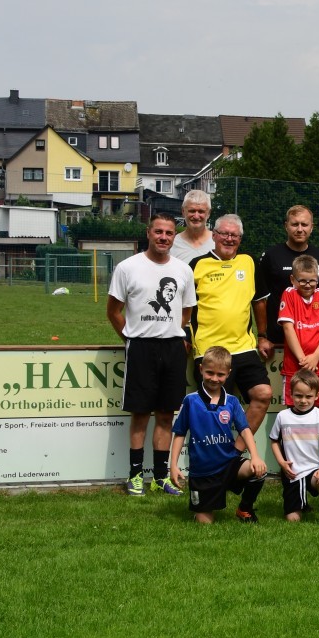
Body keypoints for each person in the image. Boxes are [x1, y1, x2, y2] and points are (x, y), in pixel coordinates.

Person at [107, 212, 196, 497]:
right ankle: (134, 476)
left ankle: (160, 477)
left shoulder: (183, 270)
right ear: (148, 233)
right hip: (141, 347)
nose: (163, 237)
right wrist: (131, 337)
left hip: (172, 347)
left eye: (169, 233)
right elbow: (113, 311)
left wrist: (173, 332)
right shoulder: (127, 267)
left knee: (166, 415)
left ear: (174, 236)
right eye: (158, 232)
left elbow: (186, 310)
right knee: (141, 414)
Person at [188, 214, 273, 435]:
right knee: (215, 409)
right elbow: (184, 307)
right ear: (214, 236)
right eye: (224, 233)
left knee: (262, 394)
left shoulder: (249, 262)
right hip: (209, 349)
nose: (229, 238)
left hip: (243, 347)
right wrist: (184, 336)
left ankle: (236, 452)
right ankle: (217, 462)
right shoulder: (197, 265)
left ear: (240, 239)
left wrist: (262, 335)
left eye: (234, 235)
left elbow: (259, 302)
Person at [169, 346, 267, 524]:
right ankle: (202, 508)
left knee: (258, 471)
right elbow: (179, 433)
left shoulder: (232, 401)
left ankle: (244, 509)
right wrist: (173, 465)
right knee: (205, 522)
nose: (215, 378)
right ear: (200, 370)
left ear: (228, 374)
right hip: (202, 473)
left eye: (220, 374)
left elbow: (245, 430)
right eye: (210, 373)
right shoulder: (190, 401)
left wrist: (255, 456)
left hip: (228, 464)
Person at [255, 205, 319, 356]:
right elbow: (261, 300)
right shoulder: (271, 256)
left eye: (304, 224)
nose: (299, 229)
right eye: (294, 224)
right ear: (286, 226)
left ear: (312, 227)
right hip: (278, 337)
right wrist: (262, 336)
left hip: (313, 338)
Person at [268, 370, 319, 523]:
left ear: (317, 396)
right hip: (292, 473)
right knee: (293, 519)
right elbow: (274, 441)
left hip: (314, 469)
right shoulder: (282, 416)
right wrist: (281, 463)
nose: (303, 400)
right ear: (290, 394)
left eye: (308, 396)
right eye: (298, 395)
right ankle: (301, 503)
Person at [277, 255, 319, 409]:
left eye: (312, 280)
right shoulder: (289, 294)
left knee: (316, 408)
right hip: (295, 364)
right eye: (302, 280)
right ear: (293, 279)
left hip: (318, 364)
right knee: (294, 409)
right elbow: (288, 328)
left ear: (317, 278)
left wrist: (315, 357)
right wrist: (303, 359)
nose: (308, 285)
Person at [170, 189, 213, 264]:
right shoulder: (172, 244)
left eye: (201, 211)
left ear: (208, 213)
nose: (196, 216)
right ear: (183, 211)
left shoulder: (217, 242)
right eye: (192, 211)